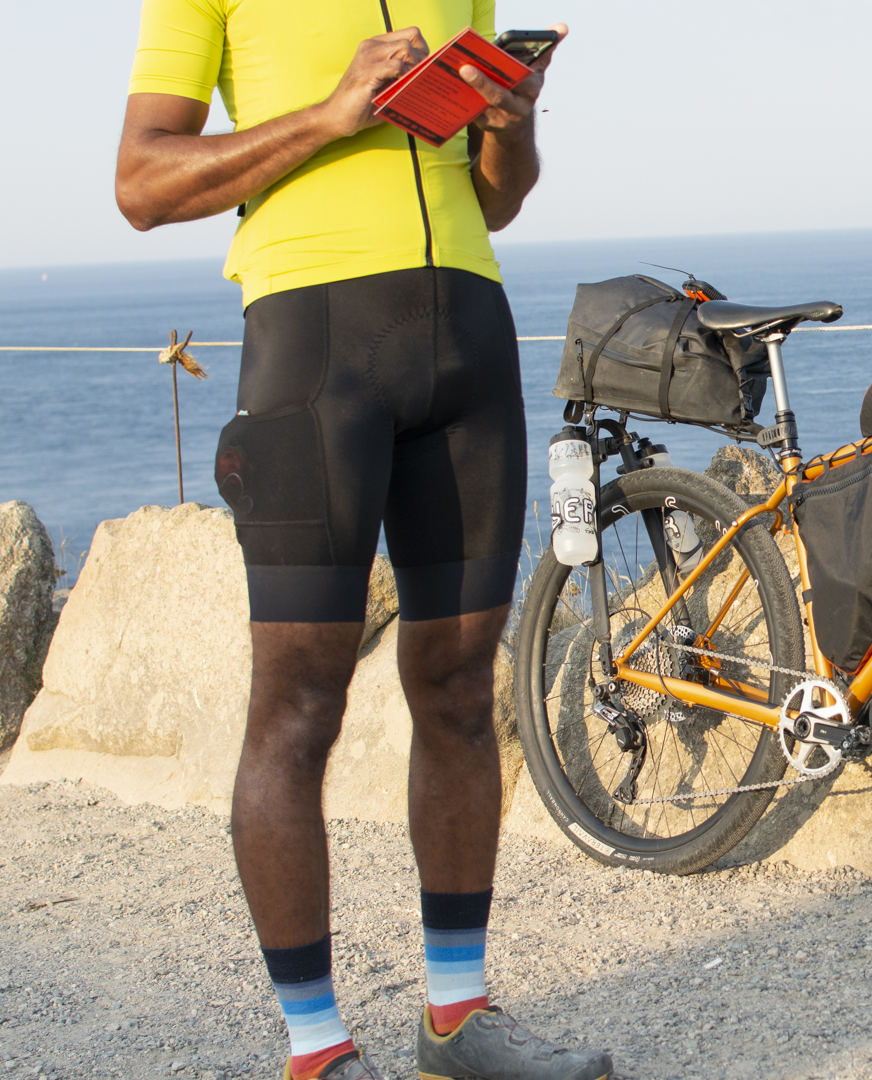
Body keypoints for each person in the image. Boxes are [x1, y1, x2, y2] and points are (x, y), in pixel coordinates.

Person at [115, 5, 611, 1080]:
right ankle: (314, 1048)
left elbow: (494, 196)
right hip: (313, 345)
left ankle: (455, 1017)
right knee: (299, 703)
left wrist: (511, 122)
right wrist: (336, 112)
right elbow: (143, 185)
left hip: (468, 343)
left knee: (459, 684)